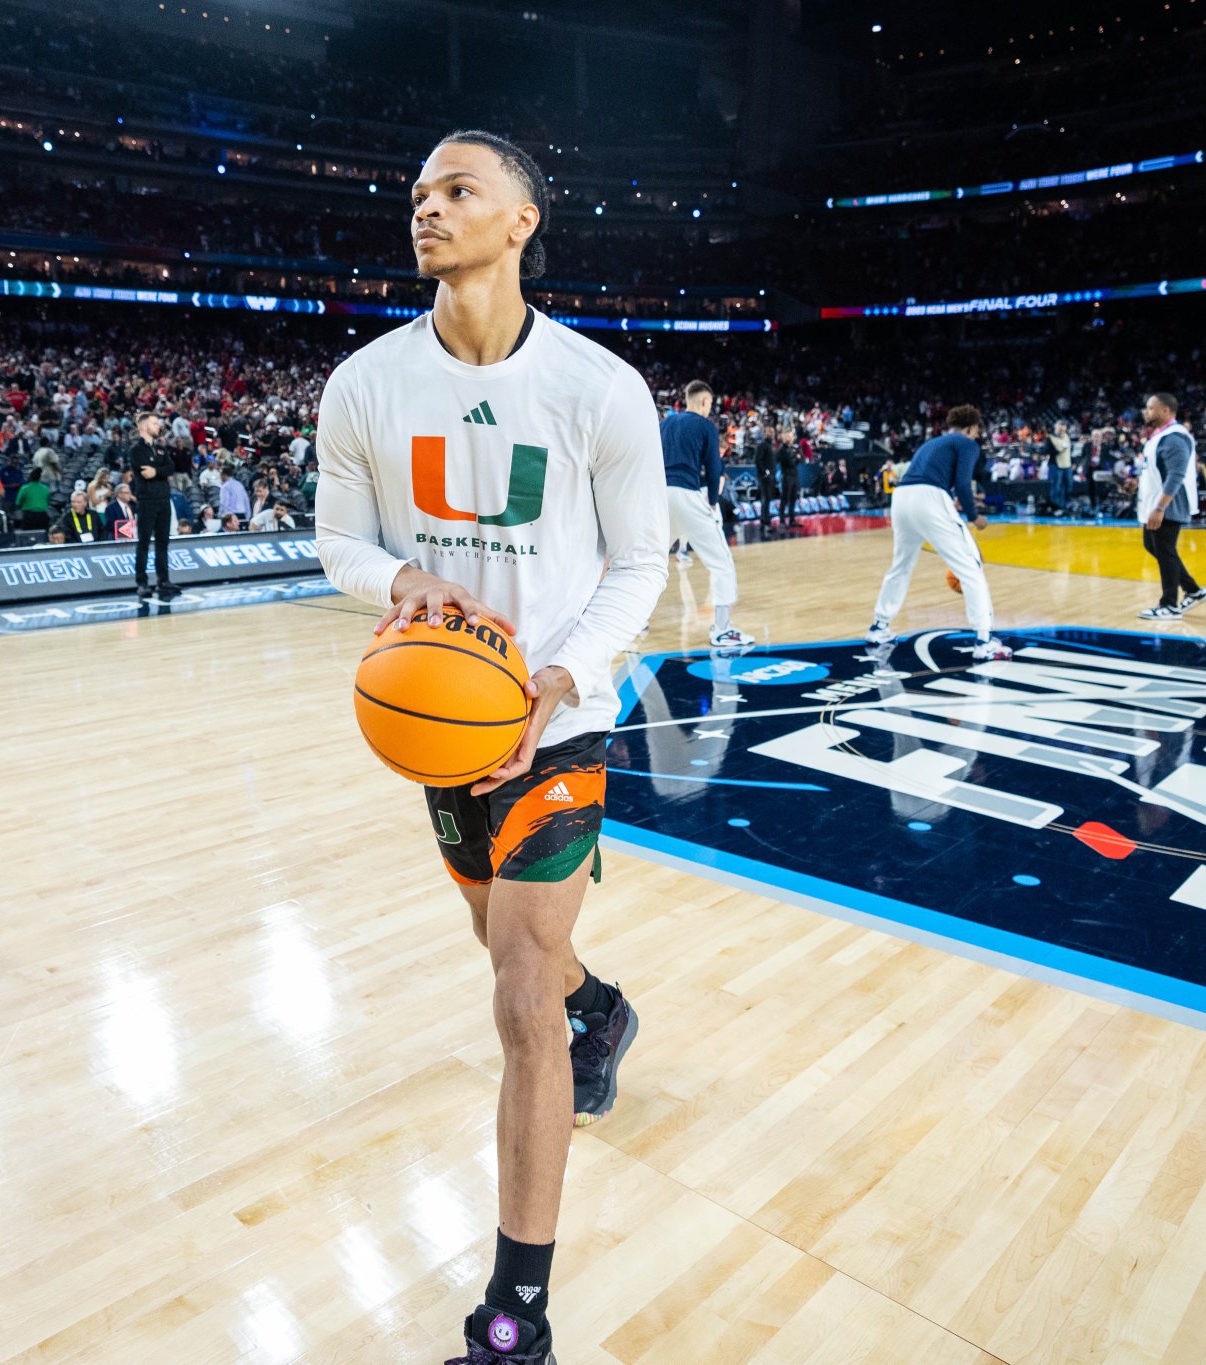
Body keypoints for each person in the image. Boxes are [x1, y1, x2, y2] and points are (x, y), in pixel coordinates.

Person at [314, 129, 667, 1365]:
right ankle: (606, 1012)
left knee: (517, 982)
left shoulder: (597, 386)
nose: (427, 208)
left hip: (557, 717)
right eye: (416, 191)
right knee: (510, 942)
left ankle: (516, 1314)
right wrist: (395, 572)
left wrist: (565, 673)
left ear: (521, 222)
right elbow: (337, 542)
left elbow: (639, 563)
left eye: (457, 190)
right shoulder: (362, 382)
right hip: (445, 721)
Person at [866, 405, 1013, 658]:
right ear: (970, 427)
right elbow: (963, 484)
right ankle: (984, 640)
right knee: (970, 565)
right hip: (929, 498)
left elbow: (933, 477)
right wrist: (973, 516)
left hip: (901, 499)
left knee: (901, 566)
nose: (977, 436)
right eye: (977, 430)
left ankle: (879, 627)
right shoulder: (967, 444)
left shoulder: (931, 443)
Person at [659, 381, 749, 648]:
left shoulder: (663, 424)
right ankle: (723, 630)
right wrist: (711, 502)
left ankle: (633, 623)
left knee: (649, 564)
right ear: (703, 402)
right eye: (709, 404)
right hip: (687, 494)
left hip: (658, 495)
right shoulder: (705, 426)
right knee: (721, 563)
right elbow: (713, 468)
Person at [1133, 392, 1206, 621]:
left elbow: (1176, 475)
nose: (1146, 412)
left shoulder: (1175, 437)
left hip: (1168, 505)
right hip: (1157, 503)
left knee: (1165, 551)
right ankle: (1194, 591)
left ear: (1165, 411)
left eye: (1150, 408)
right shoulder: (1160, 436)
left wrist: (1160, 508)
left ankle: (1169, 605)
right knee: (1154, 546)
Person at [127, 412, 180, 600]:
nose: (159, 426)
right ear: (143, 427)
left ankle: (163, 580)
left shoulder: (161, 449)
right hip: (147, 501)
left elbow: (171, 468)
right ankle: (141, 582)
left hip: (164, 500)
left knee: (162, 543)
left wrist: (157, 470)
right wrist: (161, 471)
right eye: (155, 423)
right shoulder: (136, 450)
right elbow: (145, 473)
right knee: (143, 544)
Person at [12, 466, 51, 531]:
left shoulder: (25, 488)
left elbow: (18, 502)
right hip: (42, 517)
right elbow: (47, 501)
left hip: (29, 517)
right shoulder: (45, 488)